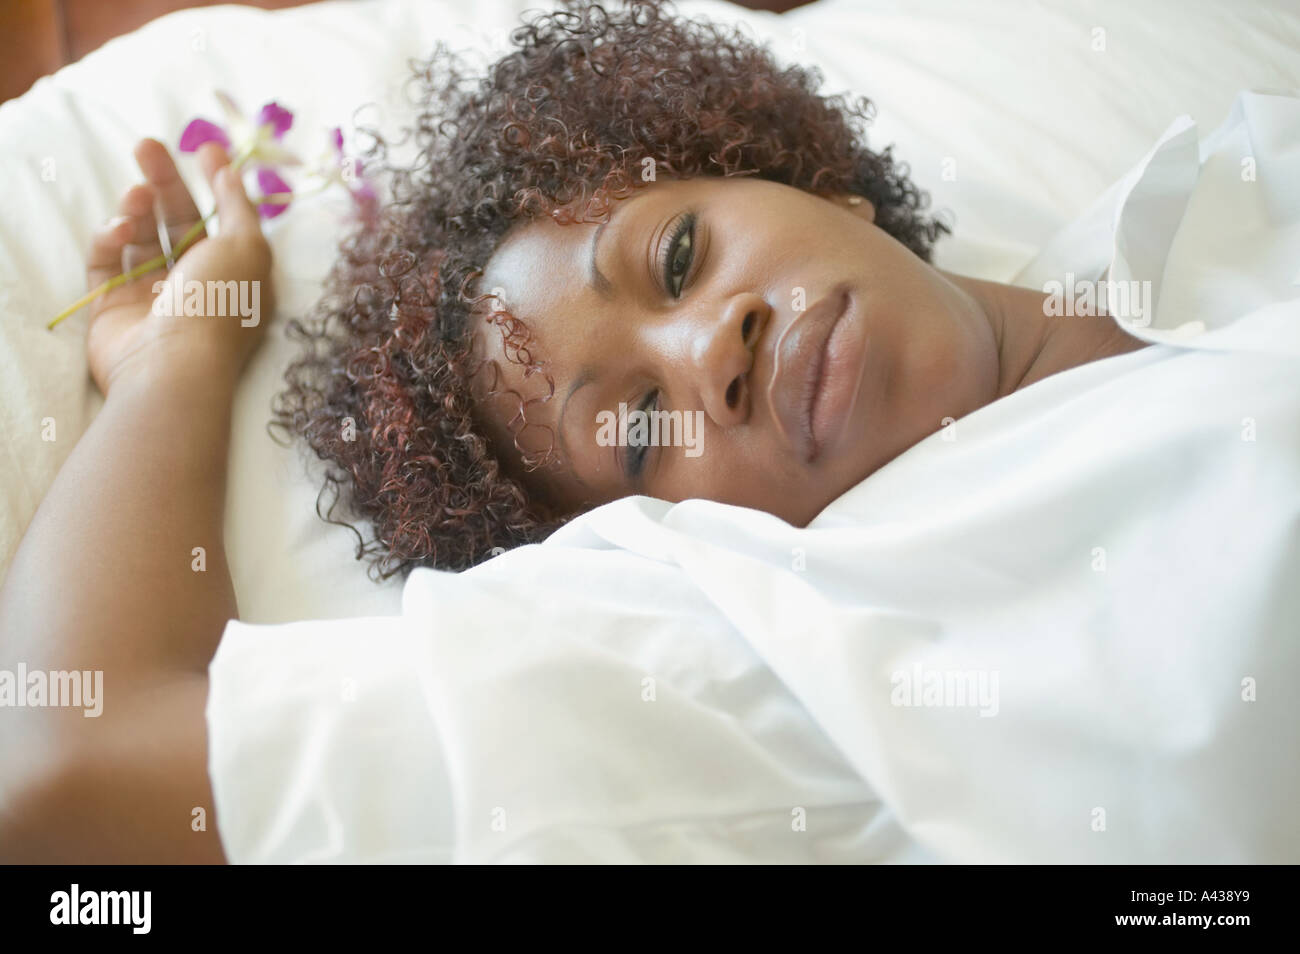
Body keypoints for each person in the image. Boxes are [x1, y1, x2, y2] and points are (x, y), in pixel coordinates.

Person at [0, 0, 1144, 861]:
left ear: (817, 182)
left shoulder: (1217, 192)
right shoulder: (768, 640)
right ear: (653, 532)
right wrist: (173, 362)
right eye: (638, 426)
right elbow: (65, 769)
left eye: (679, 256)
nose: (711, 351)